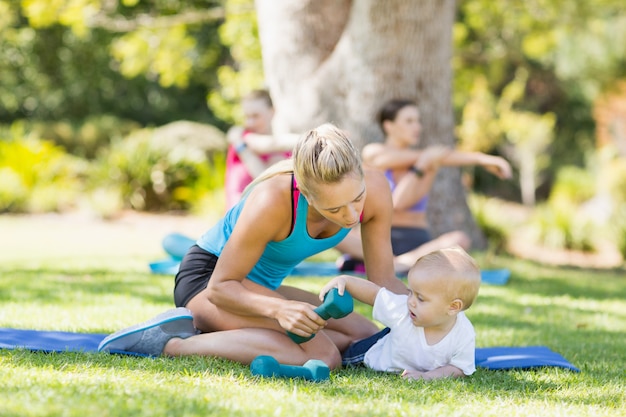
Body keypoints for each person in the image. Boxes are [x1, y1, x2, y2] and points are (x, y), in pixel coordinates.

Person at [99, 123, 407, 370]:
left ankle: (232, 334)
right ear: (306, 194)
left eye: (356, 199)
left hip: (259, 287)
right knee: (325, 356)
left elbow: (383, 281)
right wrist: (280, 309)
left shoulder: (377, 189)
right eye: (335, 209)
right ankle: (172, 343)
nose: (352, 215)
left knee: (365, 335)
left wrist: (434, 313)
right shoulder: (274, 199)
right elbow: (222, 287)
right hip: (210, 284)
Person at [336, 98, 512, 274]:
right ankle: (396, 264)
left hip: (415, 242)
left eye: (418, 121)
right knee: (335, 232)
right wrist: (425, 162)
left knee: (460, 239)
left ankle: (397, 263)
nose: (417, 127)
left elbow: (402, 200)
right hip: (374, 237)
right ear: (389, 126)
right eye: (409, 121)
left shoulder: (429, 161)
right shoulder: (374, 153)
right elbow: (395, 201)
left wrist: (483, 159)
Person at [322, 246, 481, 381]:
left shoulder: (464, 333)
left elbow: (458, 368)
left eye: (420, 298)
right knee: (338, 357)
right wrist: (346, 281)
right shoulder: (402, 310)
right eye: (410, 292)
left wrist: (426, 376)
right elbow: (374, 294)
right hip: (371, 354)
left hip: (401, 355)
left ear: (453, 307)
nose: (411, 301)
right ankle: (322, 340)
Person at [224, 89, 293, 210]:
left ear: (272, 112)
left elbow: (272, 186)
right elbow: (262, 176)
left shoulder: (285, 152)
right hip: (236, 220)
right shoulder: (241, 138)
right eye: (247, 116)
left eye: (255, 116)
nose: (250, 122)